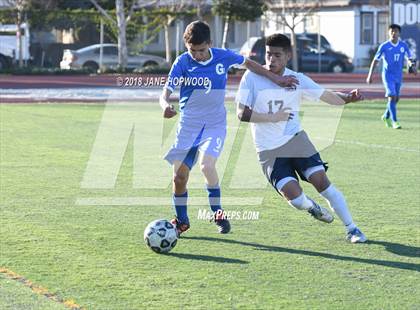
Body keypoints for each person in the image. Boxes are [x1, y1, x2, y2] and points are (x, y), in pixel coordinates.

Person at [160, 21, 298, 236]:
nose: (197, 55)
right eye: (192, 50)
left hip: (214, 125)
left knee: (207, 166)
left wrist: (278, 79)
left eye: (201, 50)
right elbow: (165, 92)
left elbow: (250, 64)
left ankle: (218, 214)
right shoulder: (182, 62)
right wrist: (165, 105)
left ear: (210, 44)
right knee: (179, 178)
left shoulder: (223, 56)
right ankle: (182, 221)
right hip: (188, 126)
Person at [236, 33, 367, 243]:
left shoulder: (297, 79)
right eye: (268, 54)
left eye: (277, 55)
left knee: (321, 181)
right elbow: (242, 114)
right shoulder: (251, 77)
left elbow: (328, 96)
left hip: (296, 141)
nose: (271, 60)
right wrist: (272, 117)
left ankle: (352, 229)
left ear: (288, 56)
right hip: (268, 151)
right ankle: (312, 207)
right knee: (295, 200)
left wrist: (349, 98)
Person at [366, 24, 417, 129]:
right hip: (387, 75)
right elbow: (375, 60)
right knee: (391, 96)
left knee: (396, 99)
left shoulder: (403, 46)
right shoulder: (384, 46)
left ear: (399, 33)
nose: (394, 33)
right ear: (388, 33)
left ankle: (386, 116)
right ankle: (395, 121)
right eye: (392, 31)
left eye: (396, 31)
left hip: (398, 75)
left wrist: (413, 67)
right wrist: (370, 75)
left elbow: (410, 58)